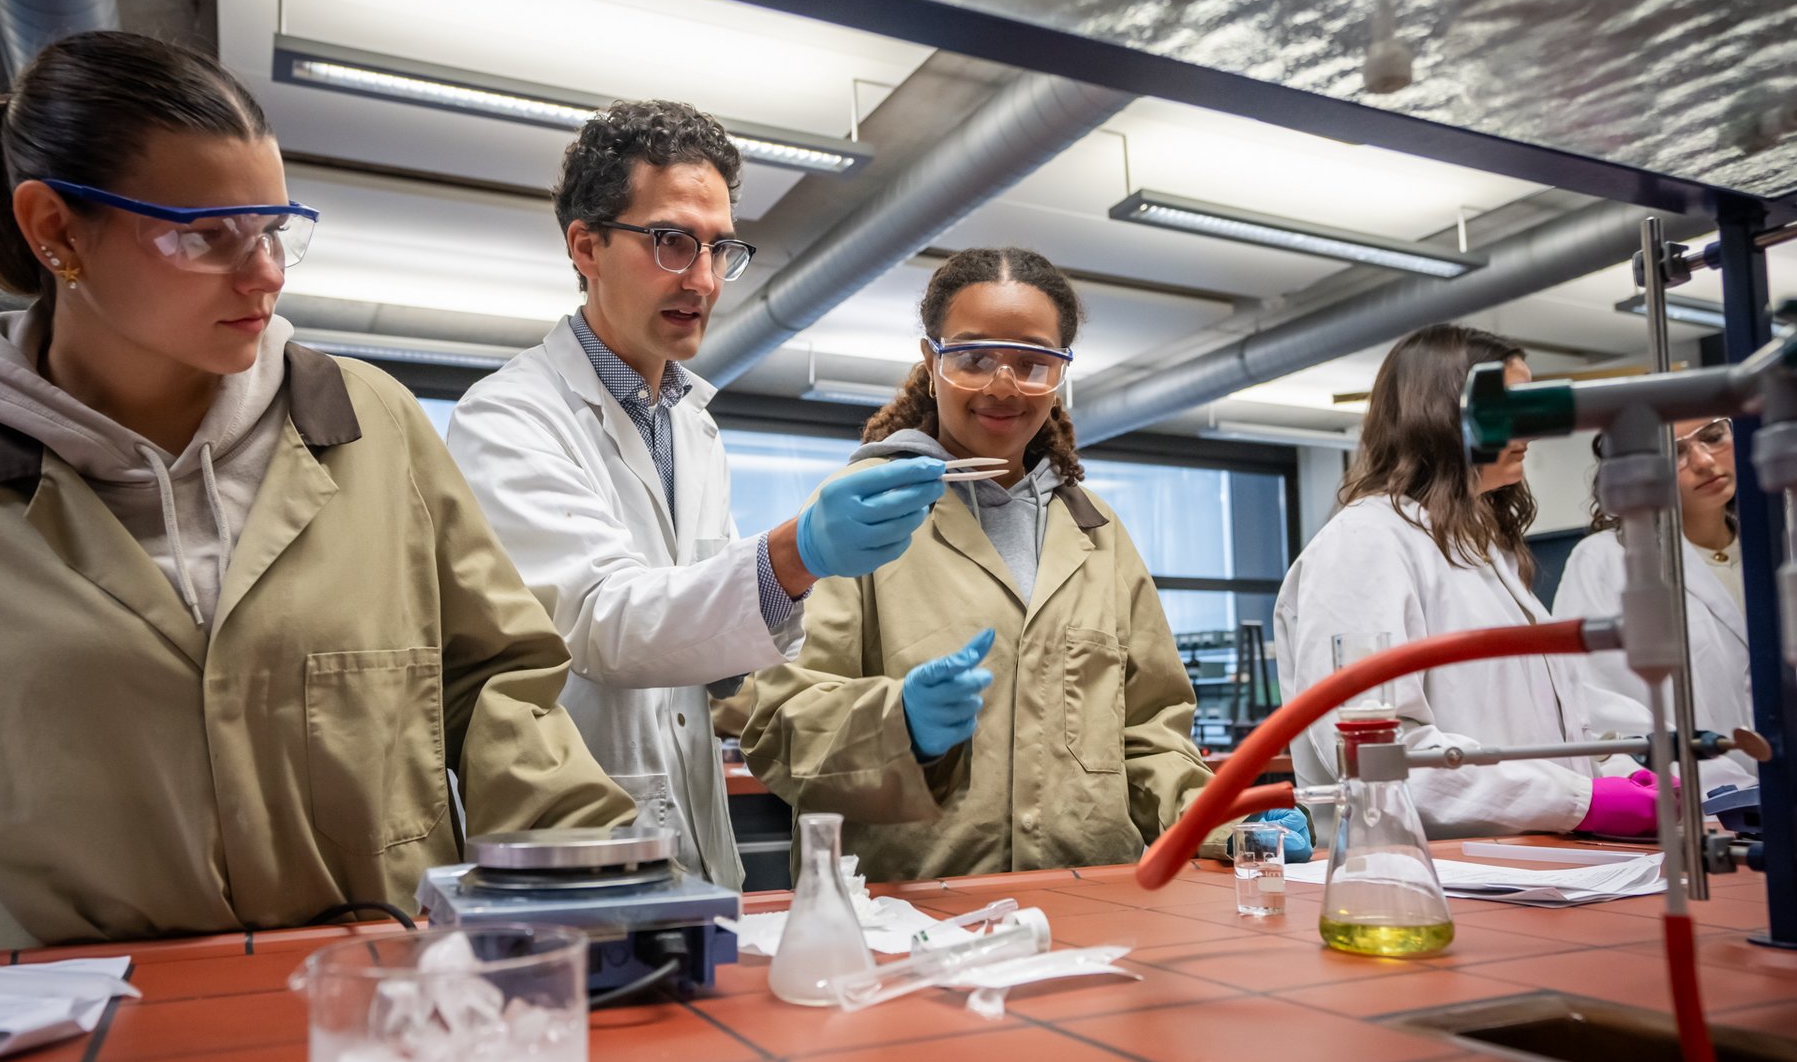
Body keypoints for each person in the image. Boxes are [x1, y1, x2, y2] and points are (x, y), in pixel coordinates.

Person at [0, 32, 633, 951]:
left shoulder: (370, 424)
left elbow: (494, 686)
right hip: (79, 1042)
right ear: (56, 231)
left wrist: (612, 887)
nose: (266, 273)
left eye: (273, 230)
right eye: (204, 236)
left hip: (379, 1006)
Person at [447, 101, 944, 889]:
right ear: (587, 246)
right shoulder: (507, 418)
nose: (705, 280)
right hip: (577, 840)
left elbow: (707, 638)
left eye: (719, 249)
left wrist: (883, 714)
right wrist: (794, 554)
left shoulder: (692, 427)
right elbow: (599, 622)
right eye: (672, 243)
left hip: (693, 829)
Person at [740, 248, 1302, 881]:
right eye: (974, 358)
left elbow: (1148, 733)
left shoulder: (1097, 532)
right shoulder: (858, 515)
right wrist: (901, 725)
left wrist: (1223, 821)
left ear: (1059, 374)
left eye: (1033, 363)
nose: (1004, 385)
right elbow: (778, 721)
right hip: (915, 914)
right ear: (932, 362)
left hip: (1089, 905)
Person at [1275, 324, 1656, 840]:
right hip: (1422, 877)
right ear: (1440, 415)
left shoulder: (1482, 549)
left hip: (1527, 865)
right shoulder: (1365, 544)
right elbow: (1377, 756)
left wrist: (1617, 775)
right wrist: (1580, 801)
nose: (1530, 430)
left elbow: (1550, 719)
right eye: (1510, 407)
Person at [1554, 418, 1754, 794]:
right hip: (1706, 803)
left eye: (1713, 437)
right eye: (1675, 451)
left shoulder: (1778, 542)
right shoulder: (1608, 561)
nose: (1705, 462)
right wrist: (1727, 789)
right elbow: (1600, 704)